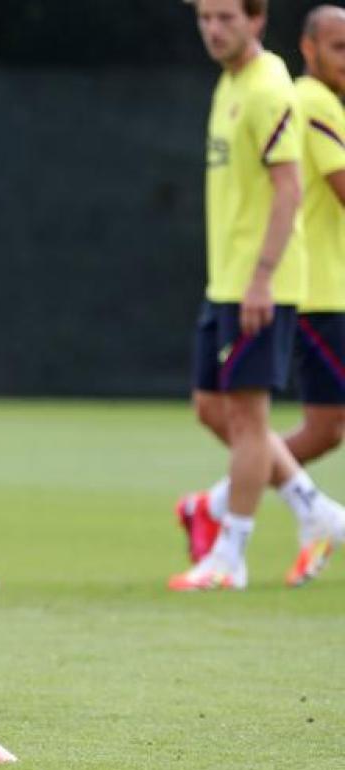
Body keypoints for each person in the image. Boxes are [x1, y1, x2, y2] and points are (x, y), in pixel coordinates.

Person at [174, 3, 345, 588]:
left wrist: (263, 277)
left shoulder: (271, 86)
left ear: (257, 20)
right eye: (205, 18)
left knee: (250, 418)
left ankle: (230, 558)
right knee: (210, 407)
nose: (214, 29)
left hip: (258, 283)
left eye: (226, 17)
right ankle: (311, 509)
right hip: (225, 281)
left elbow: (290, 188)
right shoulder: (230, 85)